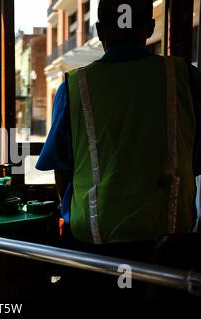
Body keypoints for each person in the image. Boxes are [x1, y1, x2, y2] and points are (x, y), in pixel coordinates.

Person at [37, 0, 201, 261]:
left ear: (100, 31)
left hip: (94, 242)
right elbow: (196, 159)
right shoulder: (185, 77)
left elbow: (62, 168)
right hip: (170, 243)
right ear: (149, 28)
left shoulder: (73, 87)